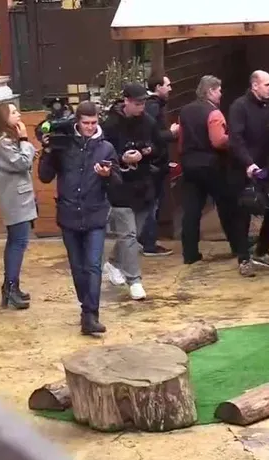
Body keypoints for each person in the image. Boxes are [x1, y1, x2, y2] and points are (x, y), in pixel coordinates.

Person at [39, 101, 121, 335]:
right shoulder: (64, 145)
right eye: (86, 123)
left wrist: (108, 175)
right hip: (69, 215)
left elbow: (117, 183)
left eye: (94, 123)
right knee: (78, 267)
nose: (90, 127)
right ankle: (86, 308)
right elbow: (45, 177)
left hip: (95, 214)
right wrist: (47, 152)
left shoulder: (106, 148)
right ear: (78, 122)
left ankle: (91, 314)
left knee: (93, 265)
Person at [178, 75, 254, 276]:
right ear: (210, 91)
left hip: (189, 163)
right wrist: (235, 140)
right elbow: (218, 141)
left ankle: (190, 253)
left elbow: (181, 138)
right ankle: (237, 245)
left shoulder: (185, 111)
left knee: (192, 209)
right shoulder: (214, 113)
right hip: (212, 165)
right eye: (219, 90)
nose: (221, 94)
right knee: (227, 205)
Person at [101, 82, 164, 300]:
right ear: (126, 101)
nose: (141, 107)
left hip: (143, 183)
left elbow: (159, 146)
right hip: (120, 186)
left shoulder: (148, 121)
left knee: (133, 234)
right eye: (137, 103)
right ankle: (134, 280)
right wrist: (121, 157)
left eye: (143, 103)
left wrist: (146, 152)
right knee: (127, 234)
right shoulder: (110, 125)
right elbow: (103, 151)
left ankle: (113, 262)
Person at [229, 70, 269, 270]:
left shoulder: (267, 107)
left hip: (264, 167)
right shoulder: (239, 107)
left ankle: (262, 250)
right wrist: (248, 163)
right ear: (255, 85)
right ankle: (244, 258)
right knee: (243, 213)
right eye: (267, 85)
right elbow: (236, 138)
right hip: (244, 168)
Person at [0, 102, 36, 310]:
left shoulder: (8, 139)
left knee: (16, 242)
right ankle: (10, 288)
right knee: (18, 243)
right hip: (15, 200)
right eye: (13, 112)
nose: (18, 114)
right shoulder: (3, 142)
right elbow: (22, 163)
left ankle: (12, 287)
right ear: (3, 118)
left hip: (20, 198)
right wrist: (25, 139)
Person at [139, 74, 179, 257]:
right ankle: (148, 243)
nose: (170, 88)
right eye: (167, 85)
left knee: (152, 204)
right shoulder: (153, 107)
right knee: (152, 204)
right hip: (153, 165)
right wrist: (171, 133)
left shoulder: (153, 106)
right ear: (157, 87)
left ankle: (146, 240)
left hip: (155, 162)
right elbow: (153, 136)